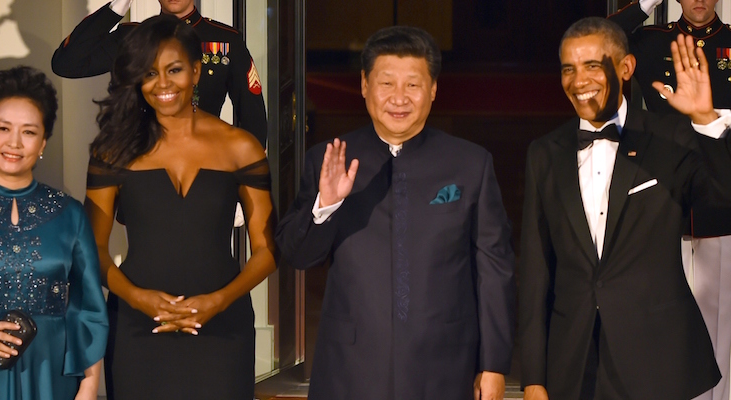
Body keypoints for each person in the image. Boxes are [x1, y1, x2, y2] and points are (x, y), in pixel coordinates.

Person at [276, 26, 515, 400]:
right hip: (350, 368)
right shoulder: (330, 159)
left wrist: (495, 364)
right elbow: (298, 255)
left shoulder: (470, 164)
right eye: (386, 83)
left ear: (433, 89)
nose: (399, 98)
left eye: (413, 85)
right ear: (364, 85)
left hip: (445, 366)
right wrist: (326, 205)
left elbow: (494, 271)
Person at [519, 17, 731, 399]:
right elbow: (535, 272)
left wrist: (706, 120)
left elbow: (723, 197)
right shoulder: (543, 153)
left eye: (592, 66)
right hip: (574, 362)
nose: (578, 80)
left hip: (657, 360)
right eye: (568, 69)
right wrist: (533, 377)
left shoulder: (670, 136)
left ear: (626, 68)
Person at [84, 14, 275, 399]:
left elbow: (268, 251)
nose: (163, 85)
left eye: (174, 70)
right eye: (150, 73)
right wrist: (138, 298)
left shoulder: (241, 147)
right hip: (137, 329)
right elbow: (93, 251)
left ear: (197, 70)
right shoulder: (113, 149)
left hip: (223, 327)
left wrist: (217, 302)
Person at [0, 66, 109, 399]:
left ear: (43, 141)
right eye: (2, 128)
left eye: (28, 132)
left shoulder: (70, 214)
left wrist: (89, 385)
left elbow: (88, 306)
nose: (14, 143)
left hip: (50, 373)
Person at [610, 3, 731, 398]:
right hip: (665, 196)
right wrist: (645, 2)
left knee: (723, 326)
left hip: (721, 194)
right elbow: (598, 39)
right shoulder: (649, 40)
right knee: (665, 323)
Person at [51, 0, 267, 147]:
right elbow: (67, 64)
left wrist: (244, 185)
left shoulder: (226, 41)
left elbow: (253, 118)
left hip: (206, 169)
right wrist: (120, 4)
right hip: (141, 170)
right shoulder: (133, 37)